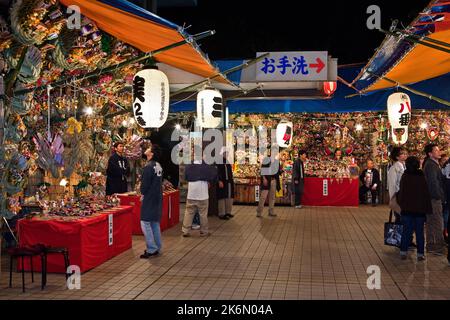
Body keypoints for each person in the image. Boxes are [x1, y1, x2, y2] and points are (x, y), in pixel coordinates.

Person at [397, 156, 432, 261]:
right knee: (420, 232)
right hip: (420, 210)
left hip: (407, 209)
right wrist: (427, 209)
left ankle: (403, 252)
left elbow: (401, 193)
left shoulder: (405, 176)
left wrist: (401, 204)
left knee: (406, 231)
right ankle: (420, 254)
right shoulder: (421, 176)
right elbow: (426, 193)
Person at [182, 161, 217, 237]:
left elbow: (185, 178)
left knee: (189, 212)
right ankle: (204, 231)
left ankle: (185, 231)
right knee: (203, 214)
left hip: (191, 193)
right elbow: (213, 175)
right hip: (202, 194)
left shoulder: (188, 166)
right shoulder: (206, 166)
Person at [139, 145, 163, 258]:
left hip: (149, 197)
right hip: (157, 196)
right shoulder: (157, 165)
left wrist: (142, 192)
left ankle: (151, 248)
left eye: (149, 148)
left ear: (151, 154)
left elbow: (145, 185)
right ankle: (157, 246)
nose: (147, 148)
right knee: (154, 222)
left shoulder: (148, 166)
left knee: (145, 222)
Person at [423, 144, 447, 255]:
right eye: (436, 150)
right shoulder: (431, 165)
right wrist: (439, 196)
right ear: (430, 154)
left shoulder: (432, 164)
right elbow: (434, 184)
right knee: (437, 222)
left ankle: (432, 245)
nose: (439, 151)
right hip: (434, 199)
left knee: (432, 221)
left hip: (431, 198)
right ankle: (437, 246)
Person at [257, 153, 282, 218]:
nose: (278, 155)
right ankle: (259, 212)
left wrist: (281, 170)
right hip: (267, 180)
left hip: (274, 180)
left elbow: (279, 172)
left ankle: (271, 211)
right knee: (263, 197)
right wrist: (264, 178)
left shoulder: (277, 162)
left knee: (272, 197)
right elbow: (262, 170)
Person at [387, 147, 407, 222]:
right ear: (397, 156)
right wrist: (393, 199)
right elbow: (392, 185)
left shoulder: (405, 166)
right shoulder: (394, 168)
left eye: (405, 153)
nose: (405, 155)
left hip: (405, 196)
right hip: (398, 196)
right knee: (399, 218)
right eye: (402, 154)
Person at [216, 147, 234, 220]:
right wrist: (219, 180)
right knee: (222, 197)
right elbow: (217, 172)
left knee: (229, 196)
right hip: (222, 182)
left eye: (227, 153)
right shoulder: (219, 161)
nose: (227, 154)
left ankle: (228, 212)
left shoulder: (227, 161)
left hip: (228, 182)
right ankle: (221, 213)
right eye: (225, 152)